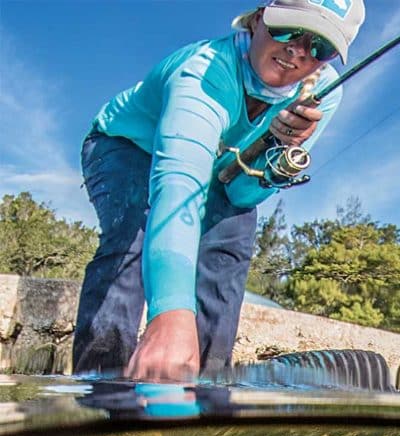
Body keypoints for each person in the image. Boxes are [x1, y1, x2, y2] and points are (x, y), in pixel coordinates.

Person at [73, 0, 366, 381]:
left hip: (217, 170)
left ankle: (203, 397)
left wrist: (279, 148)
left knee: (229, 250)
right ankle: (99, 391)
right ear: (260, 18)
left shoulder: (325, 95)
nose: (297, 50)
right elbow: (179, 186)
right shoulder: (203, 72)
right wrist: (172, 314)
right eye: (288, 30)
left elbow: (241, 195)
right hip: (127, 146)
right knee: (134, 235)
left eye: (319, 47)